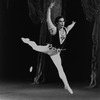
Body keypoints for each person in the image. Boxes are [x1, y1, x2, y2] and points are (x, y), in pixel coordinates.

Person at [21, 2, 76, 94]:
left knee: (60, 68)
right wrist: (49, 9)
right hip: (49, 49)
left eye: (63, 21)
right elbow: (48, 21)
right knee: (35, 47)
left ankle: (66, 85)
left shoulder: (65, 30)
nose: (62, 23)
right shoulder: (54, 30)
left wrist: (73, 24)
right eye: (60, 22)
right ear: (57, 23)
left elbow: (69, 27)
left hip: (56, 54)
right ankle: (27, 41)